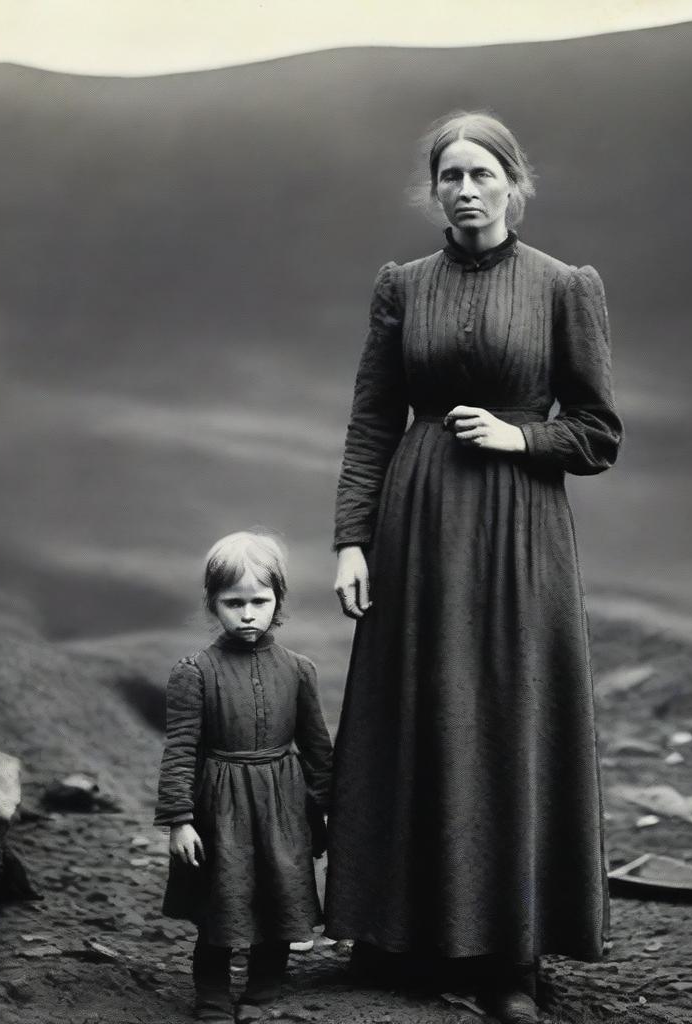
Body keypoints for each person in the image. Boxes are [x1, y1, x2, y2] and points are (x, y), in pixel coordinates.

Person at [326, 111, 623, 1024]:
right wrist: (350, 539)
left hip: (517, 529)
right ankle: (400, 938)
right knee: (415, 713)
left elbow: (598, 434)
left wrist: (517, 435)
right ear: (435, 190)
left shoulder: (563, 287)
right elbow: (374, 419)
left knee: (506, 715)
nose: (462, 190)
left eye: (480, 174)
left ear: (512, 184)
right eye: (448, 176)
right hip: (416, 520)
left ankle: (510, 959)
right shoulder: (401, 286)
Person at [154, 531, 334, 1023]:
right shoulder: (194, 672)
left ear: (278, 601)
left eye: (260, 600)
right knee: (221, 902)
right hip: (221, 807)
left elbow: (317, 748)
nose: (248, 613)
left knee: (280, 897)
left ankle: (262, 990)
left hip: (283, 805)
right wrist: (179, 820)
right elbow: (181, 750)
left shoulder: (298, 671)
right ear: (213, 604)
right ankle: (211, 994)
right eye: (234, 602)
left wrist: (327, 810)